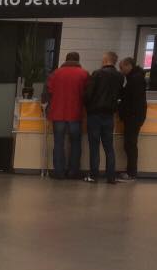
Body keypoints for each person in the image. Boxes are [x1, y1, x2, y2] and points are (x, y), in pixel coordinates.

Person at [45, 52, 89, 179]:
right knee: (75, 143)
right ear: (78, 60)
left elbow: (48, 92)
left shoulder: (55, 73)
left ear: (66, 59)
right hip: (76, 114)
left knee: (58, 143)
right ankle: (73, 171)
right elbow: (88, 94)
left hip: (57, 113)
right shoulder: (84, 74)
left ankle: (59, 172)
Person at [84, 51, 124, 184]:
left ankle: (94, 175)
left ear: (106, 59)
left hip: (95, 114)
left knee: (94, 146)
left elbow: (89, 94)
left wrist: (87, 106)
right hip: (109, 115)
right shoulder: (120, 76)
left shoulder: (97, 74)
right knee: (109, 147)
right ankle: (111, 176)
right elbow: (119, 94)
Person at [118, 57, 146, 181]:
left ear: (128, 65)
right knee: (130, 144)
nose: (121, 71)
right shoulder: (136, 77)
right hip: (135, 116)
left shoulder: (135, 80)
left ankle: (131, 172)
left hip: (133, 117)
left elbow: (130, 99)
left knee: (130, 144)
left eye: (122, 67)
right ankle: (131, 171)